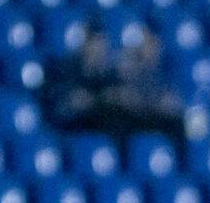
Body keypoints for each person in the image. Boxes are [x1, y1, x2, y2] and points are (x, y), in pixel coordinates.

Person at [43, 25, 189, 142]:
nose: (99, 49)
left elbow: (129, 97)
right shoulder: (67, 70)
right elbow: (71, 103)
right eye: (94, 43)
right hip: (83, 126)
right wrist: (104, 98)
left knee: (172, 122)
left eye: (101, 43)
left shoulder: (109, 74)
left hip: (121, 121)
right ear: (85, 44)